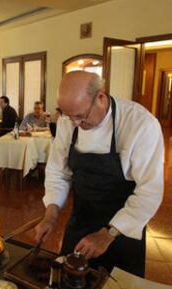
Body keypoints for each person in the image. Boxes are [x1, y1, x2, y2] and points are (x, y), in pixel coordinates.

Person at [33, 71, 164, 277]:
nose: (74, 123)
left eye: (80, 116)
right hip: (81, 221)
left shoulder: (140, 124)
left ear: (100, 98)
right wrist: (51, 214)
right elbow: (58, 171)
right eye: (68, 115)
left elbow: (149, 192)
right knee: (68, 284)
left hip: (123, 228)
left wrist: (108, 234)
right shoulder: (69, 121)